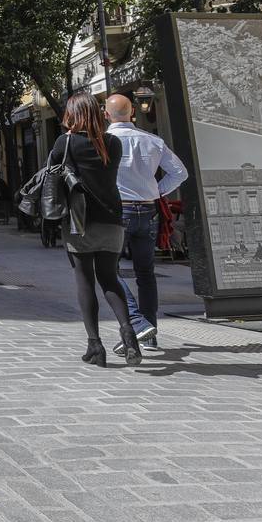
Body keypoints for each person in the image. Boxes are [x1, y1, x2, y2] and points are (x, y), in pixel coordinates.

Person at [47, 91, 140, 367]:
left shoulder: (66, 143)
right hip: (112, 219)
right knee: (110, 279)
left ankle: (95, 347)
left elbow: (51, 174)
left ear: (72, 114)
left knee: (85, 281)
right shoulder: (112, 143)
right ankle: (129, 335)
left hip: (79, 222)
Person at [105, 94, 187, 353]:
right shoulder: (152, 140)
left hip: (120, 212)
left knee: (109, 270)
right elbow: (180, 172)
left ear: (106, 115)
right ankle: (150, 332)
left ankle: (138, 322)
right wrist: (157, 191)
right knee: (146, 274)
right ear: (131, 114)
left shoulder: (104, 142)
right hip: (149, 211)